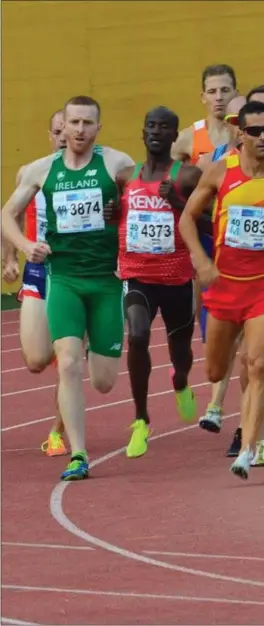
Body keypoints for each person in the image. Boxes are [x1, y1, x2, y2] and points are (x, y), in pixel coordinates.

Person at [2, 94, 135, 481]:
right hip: (63, 279)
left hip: (107, 282)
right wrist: (25, 248)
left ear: (98, 127)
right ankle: (77, 453)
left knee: (104, 381)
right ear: (62, 127)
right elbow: (6, 214)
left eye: (86, 123)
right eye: (72, 123)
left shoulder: (116, 163)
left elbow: (144, 196)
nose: (78, 131)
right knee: (69, 364)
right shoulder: (41, 170)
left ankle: (94, 338)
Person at [106, 106, 203, 458]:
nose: (156, 132)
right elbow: (117, 215)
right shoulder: (125, 176)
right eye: (150, 125)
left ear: (175, 135)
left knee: (181, 353)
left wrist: (177, 202)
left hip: (176, 277)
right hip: (137, 276)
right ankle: (141, 420)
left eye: (164, 127)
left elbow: (208, 223)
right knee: (138, 336)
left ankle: (180, 381)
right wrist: (111, 213)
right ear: (142, 131)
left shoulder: (188, 175)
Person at [178, 101, 264, 480]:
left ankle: (248, 448)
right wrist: (201, 259)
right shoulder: (220, 170)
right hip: (223, 287)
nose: (263, 138)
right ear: (241, 133)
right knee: (215, 370)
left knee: (258, 365)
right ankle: (220, 405)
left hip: (261, 289)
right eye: (256, 131)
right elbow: (186, 218)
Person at [3, 110, 69, 457]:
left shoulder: (91, 175)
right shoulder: (30, 172)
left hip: (75, 273)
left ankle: (57, 433)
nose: (63, 137)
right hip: (38, 271)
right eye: (57, 131)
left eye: (68, 130)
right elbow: (8, 215)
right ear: (50, 134)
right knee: (35, 360)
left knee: (67, 356)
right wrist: (11, 257)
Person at [197, 96, 246, 456]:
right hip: (227, 273)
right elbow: (192, 210)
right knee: (223, 355)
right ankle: (215, 403)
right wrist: (203, 259)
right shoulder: (215, 162)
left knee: (255, 358)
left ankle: (247, 431)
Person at [171, 64, 237, 164]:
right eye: (212, 92)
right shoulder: (187, 137)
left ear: (235, 94)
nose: (219, 97)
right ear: (203, 97)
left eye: (225, 90)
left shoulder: (248, 135)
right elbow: (166, 173)